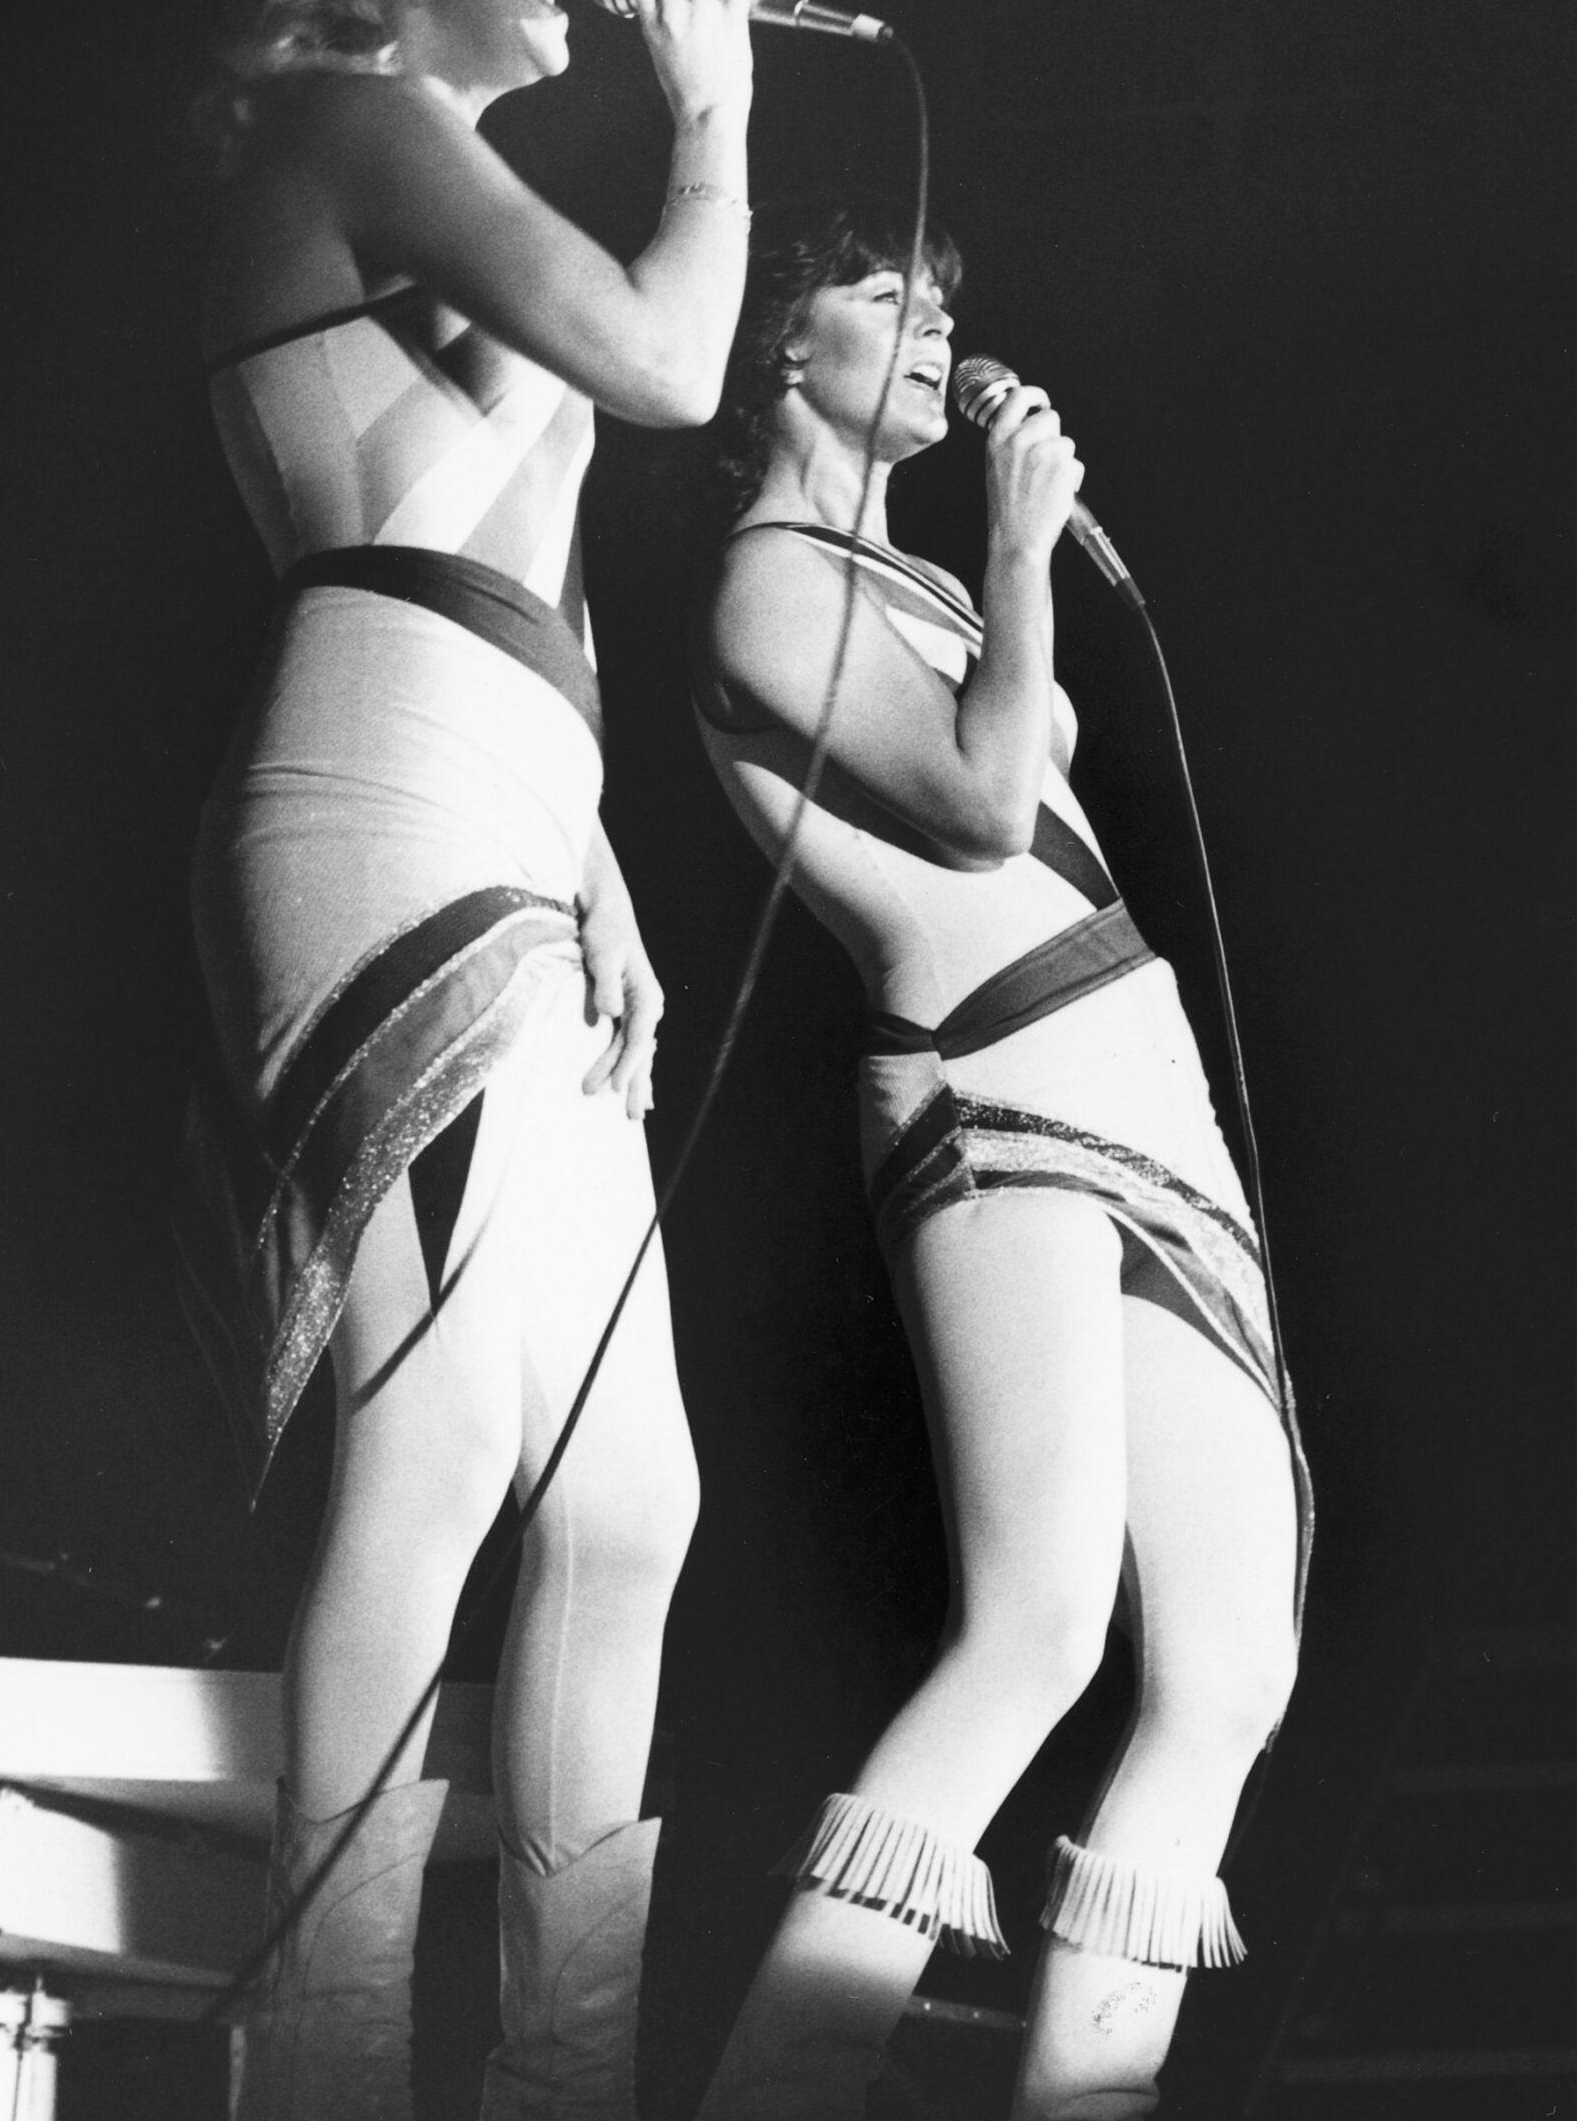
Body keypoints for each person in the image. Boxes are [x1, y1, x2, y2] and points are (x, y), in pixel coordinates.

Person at [180, 0, 757, 2119]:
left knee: (630, 1488)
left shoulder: (453, 167)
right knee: (432, 1450)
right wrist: (711, 123)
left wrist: (608, 857)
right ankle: (323, 2071)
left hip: (508, 785)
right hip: (390, 781)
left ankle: (560, 2077)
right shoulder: (348, 115)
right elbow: (672, 360)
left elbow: (524, 542)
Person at [687, 197, 1310, 2118]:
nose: (940, 325)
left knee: (1226, 1669)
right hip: (996, 1095)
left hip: (1147, 1107)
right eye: (890, 295)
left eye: (950, 297)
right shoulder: (769, 581)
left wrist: (1003, 572)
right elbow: (970, 810)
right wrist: (1024, 540)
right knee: (1038, 1619)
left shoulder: (929, 590)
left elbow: (1006, 742)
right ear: (783, 346)